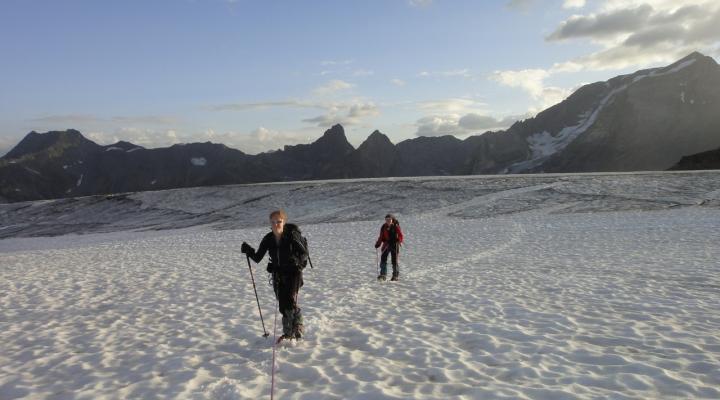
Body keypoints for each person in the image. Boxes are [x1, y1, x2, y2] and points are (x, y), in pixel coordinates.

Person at [241, 210, 309, 341]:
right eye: (273, 222)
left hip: (293, 273)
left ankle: (295, 328)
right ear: (270, 223)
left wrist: (299, 264)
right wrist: (248, 250)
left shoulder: (292, 236)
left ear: (284, 222)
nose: (276, 224)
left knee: (290, 301)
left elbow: (304, 253)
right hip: (278, 274)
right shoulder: (268, 239)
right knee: (283, 304)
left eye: (279, 221)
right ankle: (291, 331)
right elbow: (257, 257)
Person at [374, 214, 404, 281]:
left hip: (394, 245)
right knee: (383, 259)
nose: (388, 221)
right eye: (386, 219)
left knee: (394, 260)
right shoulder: (383, 227)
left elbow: (400, 235)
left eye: (389, 219)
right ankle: (383, 275)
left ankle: (395, 276)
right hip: (386, 244)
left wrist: (399, 240)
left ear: (392, 220)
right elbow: (381, 236)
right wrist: (378, 244)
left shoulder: (396, 226)